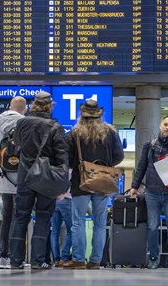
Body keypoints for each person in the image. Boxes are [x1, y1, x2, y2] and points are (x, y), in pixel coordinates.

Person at [9, 91, 69, 270]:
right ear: (50, 105)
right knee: (43, 217)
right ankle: (37, 260)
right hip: (46, 178)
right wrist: (63, 182)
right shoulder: (55, 126)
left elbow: (16, 146)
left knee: (20, 217)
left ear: (33, 105)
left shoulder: (22, 123)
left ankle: (15, 260)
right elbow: (62, 156)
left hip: (25, 176)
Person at [64, 99, 124, 270]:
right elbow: (118, 156)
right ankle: (96, 261)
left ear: (82, 114)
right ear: (99, 114)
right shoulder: (110, 132)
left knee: (78, 222)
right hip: (104, 182)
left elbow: (67, 159)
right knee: (99, 222)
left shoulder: (74, 133)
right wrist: (103, 166)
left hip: (80, 182)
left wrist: (80, 165)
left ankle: (78, 259)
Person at [130, 115, 168, 270]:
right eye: (165, 124)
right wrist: (134, 186)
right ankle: (153, 258)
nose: (167, 127)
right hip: (152, 193)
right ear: (160, 125)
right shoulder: (149, 145)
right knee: (152, 226)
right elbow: (141, 167)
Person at [0, 96, 26, 269]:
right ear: (24, 109)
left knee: (6, 218)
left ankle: (3, 256)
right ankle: (17, 256)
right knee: (20, 218)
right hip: (22, 179)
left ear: (9, 107)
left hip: (4, 178)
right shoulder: (26, 123)